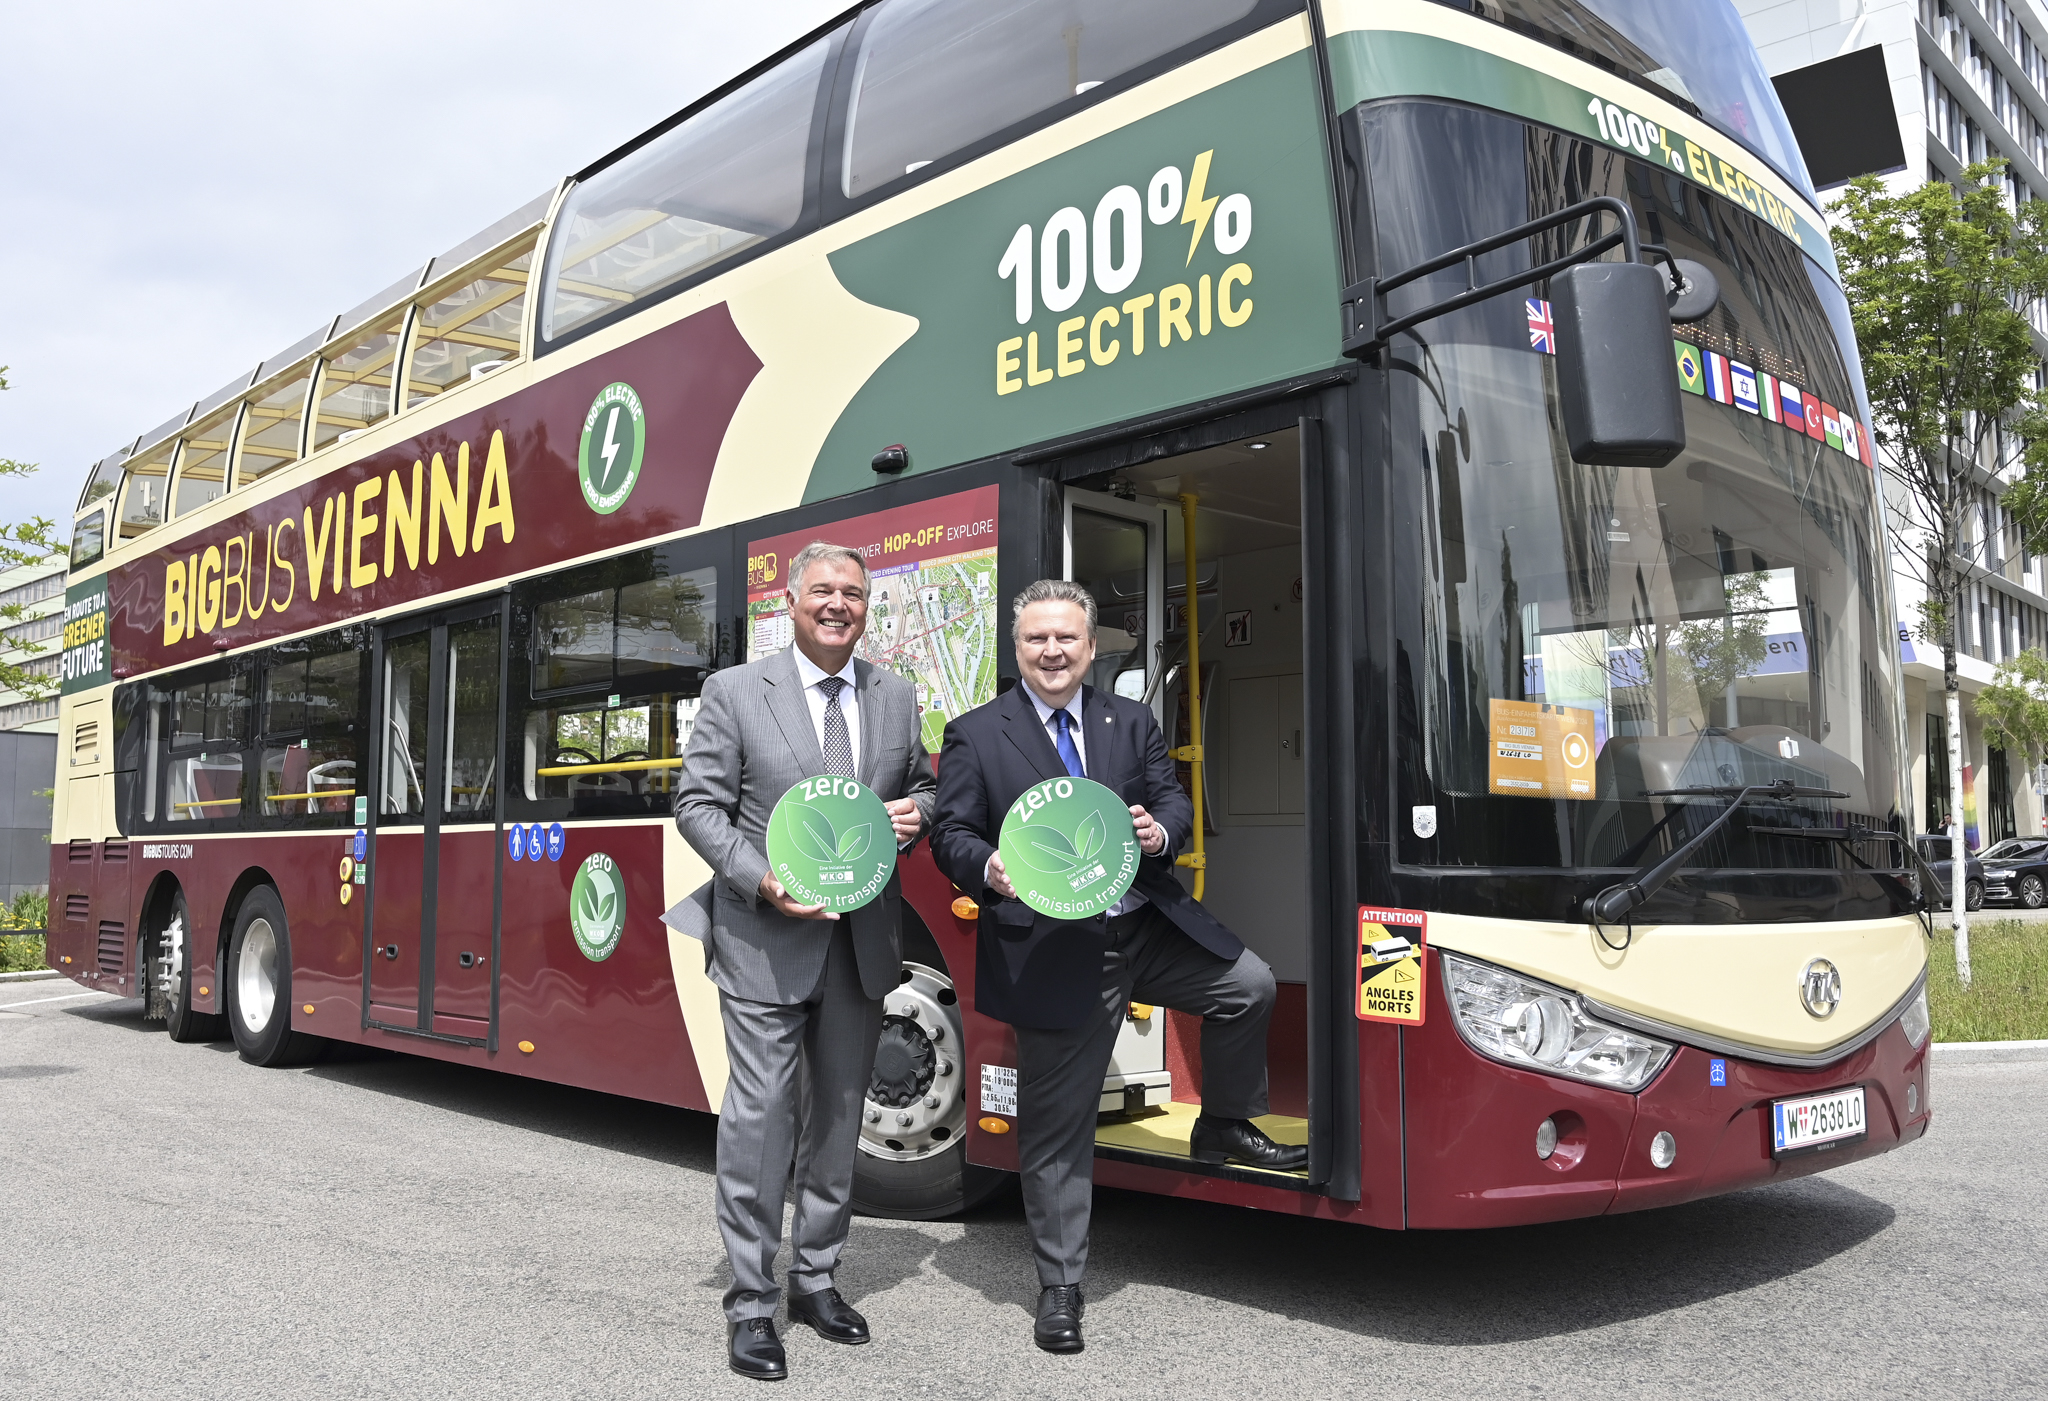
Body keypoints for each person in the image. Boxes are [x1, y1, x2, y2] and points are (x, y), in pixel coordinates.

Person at [929, 578, 1305, 1355]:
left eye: (1067, 637)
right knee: (1058, 1130)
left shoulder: (1130, 721)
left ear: (1091, 646)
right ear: (1018, 647)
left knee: (1250, 986)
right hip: (1056, 948)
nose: (1053, 650)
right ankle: (1060, 1287)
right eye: (1037, 638)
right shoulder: (977, 732)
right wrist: (989, 866)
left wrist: (1159, 833)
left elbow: (1173, 806)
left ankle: (1225, 1124)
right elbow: (951, 834)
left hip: (1144, 926)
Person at [669, 540, 936, 1381]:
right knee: (761, 1123)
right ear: (791, 600)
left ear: (866, 608)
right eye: (823, 590)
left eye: (852, 594)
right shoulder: (736, 691)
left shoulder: (895, 697)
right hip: (763, 941)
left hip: (859, 943)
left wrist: (915, 815)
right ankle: (751, 1302)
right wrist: (760, 879)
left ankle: (815, 1279)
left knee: (836, 1122)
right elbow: (698, 805)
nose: (838, 604)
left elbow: (925, 786)